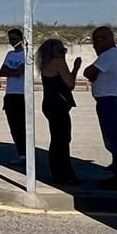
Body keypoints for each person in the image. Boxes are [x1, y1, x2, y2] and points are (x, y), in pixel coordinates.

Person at [84, 27, 117, 190]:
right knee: (115, 136)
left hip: (109, 102)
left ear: (108, 39)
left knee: (113, 139)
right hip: (110, 101)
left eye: (98, 40)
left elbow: (89, 72)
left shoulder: (108, 55)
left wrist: (93, 74)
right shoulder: (113, 55)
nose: (95, 45)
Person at [37, 38, 81, 185]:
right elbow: (70, 84)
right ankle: (65, 174)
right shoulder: (58, 62)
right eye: (61, 50)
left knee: (57, 139)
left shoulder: (45, 64)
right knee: (63, 140)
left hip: (49, 103)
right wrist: (75, 68)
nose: (64, 53)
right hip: (58, 104)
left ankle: (58, 172)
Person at [0, 28, 27, 165]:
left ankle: (27, 153)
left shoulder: (26, 55)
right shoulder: (10, 54)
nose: (12, 42)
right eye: (10, 39)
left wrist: (12, 71)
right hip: (10, 94)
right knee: (14, 127)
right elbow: (2, 72)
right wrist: (13, 71)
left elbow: (20, 71)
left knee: (22, 126)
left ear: (21, 39)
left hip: (22, 94)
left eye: (14, 39)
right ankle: (21, 153)